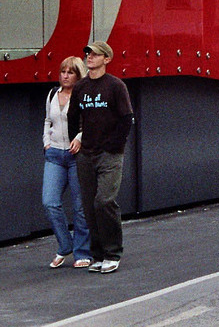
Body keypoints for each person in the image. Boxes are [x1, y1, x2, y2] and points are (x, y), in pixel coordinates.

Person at [68, 41, 134, 274]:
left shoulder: (116, 86)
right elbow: (73, 116)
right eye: (87, 53)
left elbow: (127, 118)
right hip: (86, 155)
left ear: (107, 59)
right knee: (89, 206)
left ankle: (113, 253)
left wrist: (114, 146)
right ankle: (98, 255)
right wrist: (76, 140)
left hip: (110, 155)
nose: (89, 57)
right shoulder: (80, 87)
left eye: (95, 54)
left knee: (104, 201)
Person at [42, 56, 92, 269]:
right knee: (50, 201)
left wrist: (80, 138)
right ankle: (65, 245)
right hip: (54, 154)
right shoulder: (53, 94)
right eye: (63, 71)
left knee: (80, 207)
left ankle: (83, 251)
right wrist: (46, 142)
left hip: (75, 156)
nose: (65, 76)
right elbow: (48, 120)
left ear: (78, 75)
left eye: (70, 72)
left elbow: (91, 122)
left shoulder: (83, 96)